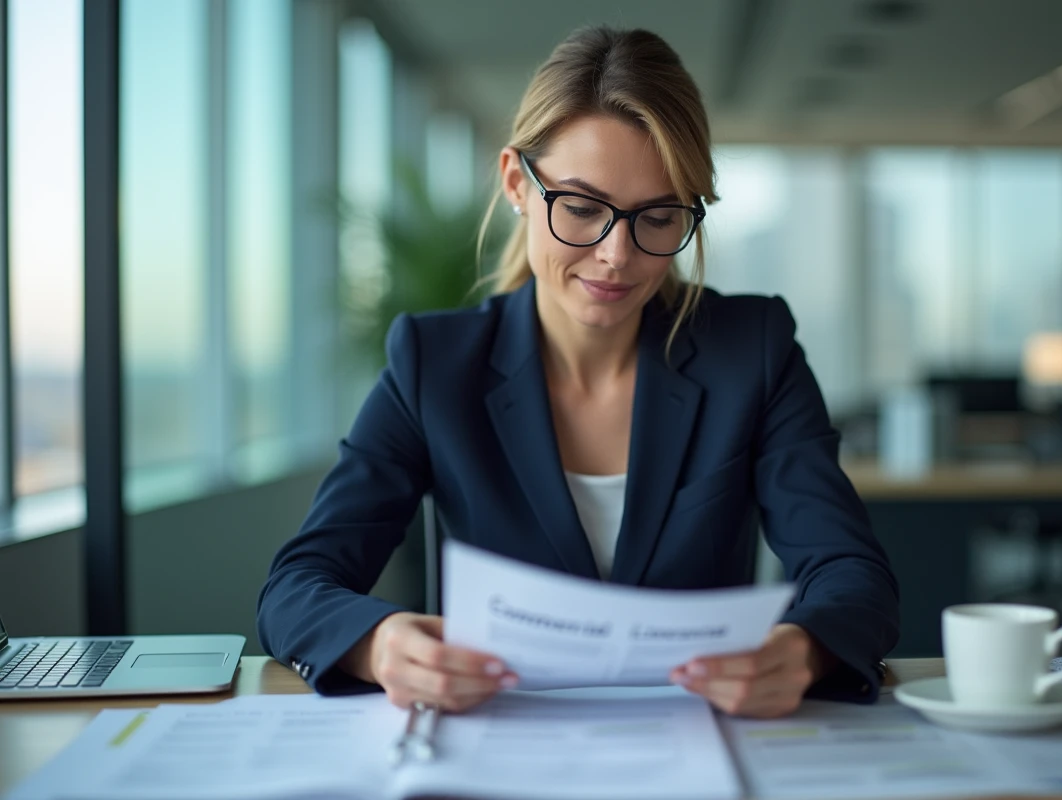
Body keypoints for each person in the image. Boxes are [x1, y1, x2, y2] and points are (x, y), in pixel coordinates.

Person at [258, 25, 899, 720]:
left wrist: (804, 650)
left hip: (701, 748)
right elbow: (297, 586)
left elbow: (852, 576)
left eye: (658, 217)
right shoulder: (433, 365)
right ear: (516, 184)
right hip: (501, 746)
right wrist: (378, 645)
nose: (617, 255)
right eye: (584, 209)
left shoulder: (753, 351)